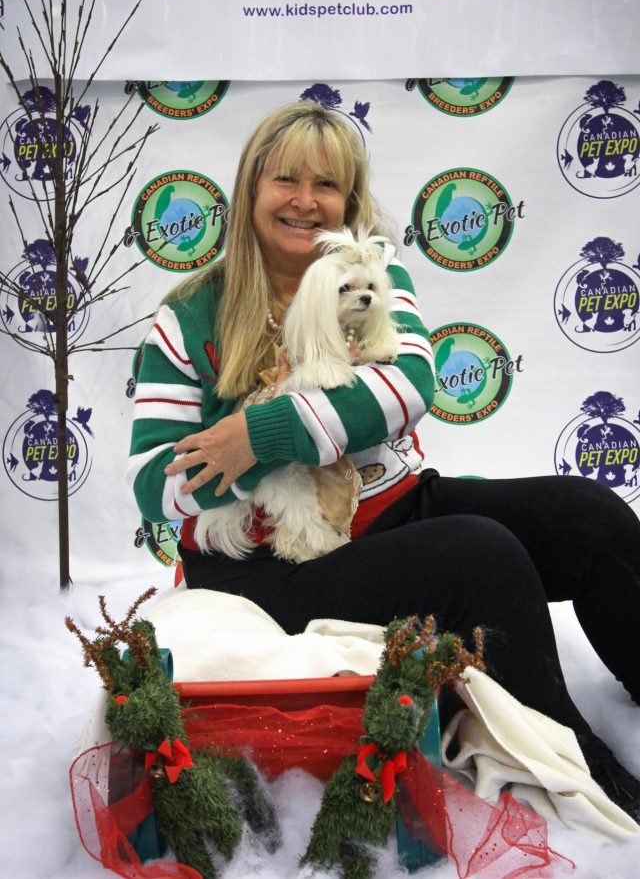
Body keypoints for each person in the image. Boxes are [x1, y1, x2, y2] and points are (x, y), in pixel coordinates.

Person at [128, 101, 640, 818]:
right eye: (285, 180)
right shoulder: (186, 318)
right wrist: (247, 461)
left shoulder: (370, 272)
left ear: (351, 201)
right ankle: (577, 761)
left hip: (388, 507)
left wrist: (260, 431)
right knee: (479, 554)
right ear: (250, 189)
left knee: (585, 514)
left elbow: (407, 386)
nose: (306, 201)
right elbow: (154, 486)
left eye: (327, 185)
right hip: (271, 566)